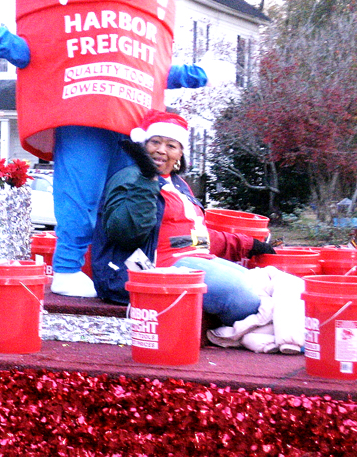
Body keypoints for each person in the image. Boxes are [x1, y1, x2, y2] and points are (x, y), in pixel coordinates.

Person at [0, 0, 212, 297]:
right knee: (80, 195)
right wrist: (0, 39)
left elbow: (150, 68)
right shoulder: (68, 21)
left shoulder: (135, 32)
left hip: (132, 127)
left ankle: (114, 268)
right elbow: (37, 55)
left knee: (129, 199)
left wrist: (187, 74)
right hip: (82, 118)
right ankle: (69, 265)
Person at [89, 110, 276, 326]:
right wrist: (146, 178)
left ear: (180, 154)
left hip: (194, 260)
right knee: (243, 295)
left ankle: (266, 334)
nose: (161, 150)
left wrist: (247, 244)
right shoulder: (129, 177)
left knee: (270, 285)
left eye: (171, 145)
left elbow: (192, 236)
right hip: (147, 269)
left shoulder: (179, 184)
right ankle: (245, 332)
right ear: (143, 145)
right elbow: (126, 234)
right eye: (155, 142)